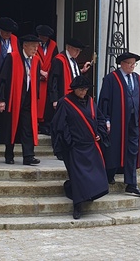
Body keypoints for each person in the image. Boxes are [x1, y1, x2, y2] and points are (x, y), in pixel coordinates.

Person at [51, 75, 109, 219]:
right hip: (75, 147)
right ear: (74, 90)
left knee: (95, 174)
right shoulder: (64, 102)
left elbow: (100, 119)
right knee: (77, 177)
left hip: (91, 145)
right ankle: (77, 205)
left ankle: (85, 193)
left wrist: (100, 134)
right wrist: (69, 142)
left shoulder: (91, 101)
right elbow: (59, 125)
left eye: (86, 89)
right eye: (81, 90)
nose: (84, 92)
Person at [97, 52, 140, 197]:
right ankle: (108, 175)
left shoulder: (137, 78)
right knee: (114, 149)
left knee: (132, 150)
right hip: (116, 120)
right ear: (122, 64)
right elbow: (104, 101)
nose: (133, 66)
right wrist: (105, 120)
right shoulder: (111, 79)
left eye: (134, 64)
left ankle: (131, 184)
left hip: (133, 120)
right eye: (130, 63)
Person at [0, 34, 42, 166]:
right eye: (33, 46)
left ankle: (28, 156)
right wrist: (1, 99)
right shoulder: (12, 58)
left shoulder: (36, 61)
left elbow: (35, 82)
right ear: (25, 45)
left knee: (28, 127)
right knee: (10, 127)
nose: (36, 49)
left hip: (28, 100)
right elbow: (2, 79)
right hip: (13, 98)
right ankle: (9, 154)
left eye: (37, 47)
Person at [48, 38, 92, 110]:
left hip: (75, 96)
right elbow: (53, 80)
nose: (78, 53)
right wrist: (54, 99)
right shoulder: (59, 60)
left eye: (79, 51)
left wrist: (82, 71)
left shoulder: (74, 59)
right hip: (62, 96)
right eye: (76, 50)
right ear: (68, 48)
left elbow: (72, 73)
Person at [35, 25, 58, 135]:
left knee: (47, 103)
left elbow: (55, 61)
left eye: (46, 37)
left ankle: (45, 125)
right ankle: (35, 123)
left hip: (48, 78)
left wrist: (49, 73)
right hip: (36, 77)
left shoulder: (53, 45)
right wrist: (39, 71)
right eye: (42, 37)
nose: (44, 39)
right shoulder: (34, 44)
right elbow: (31, 58)